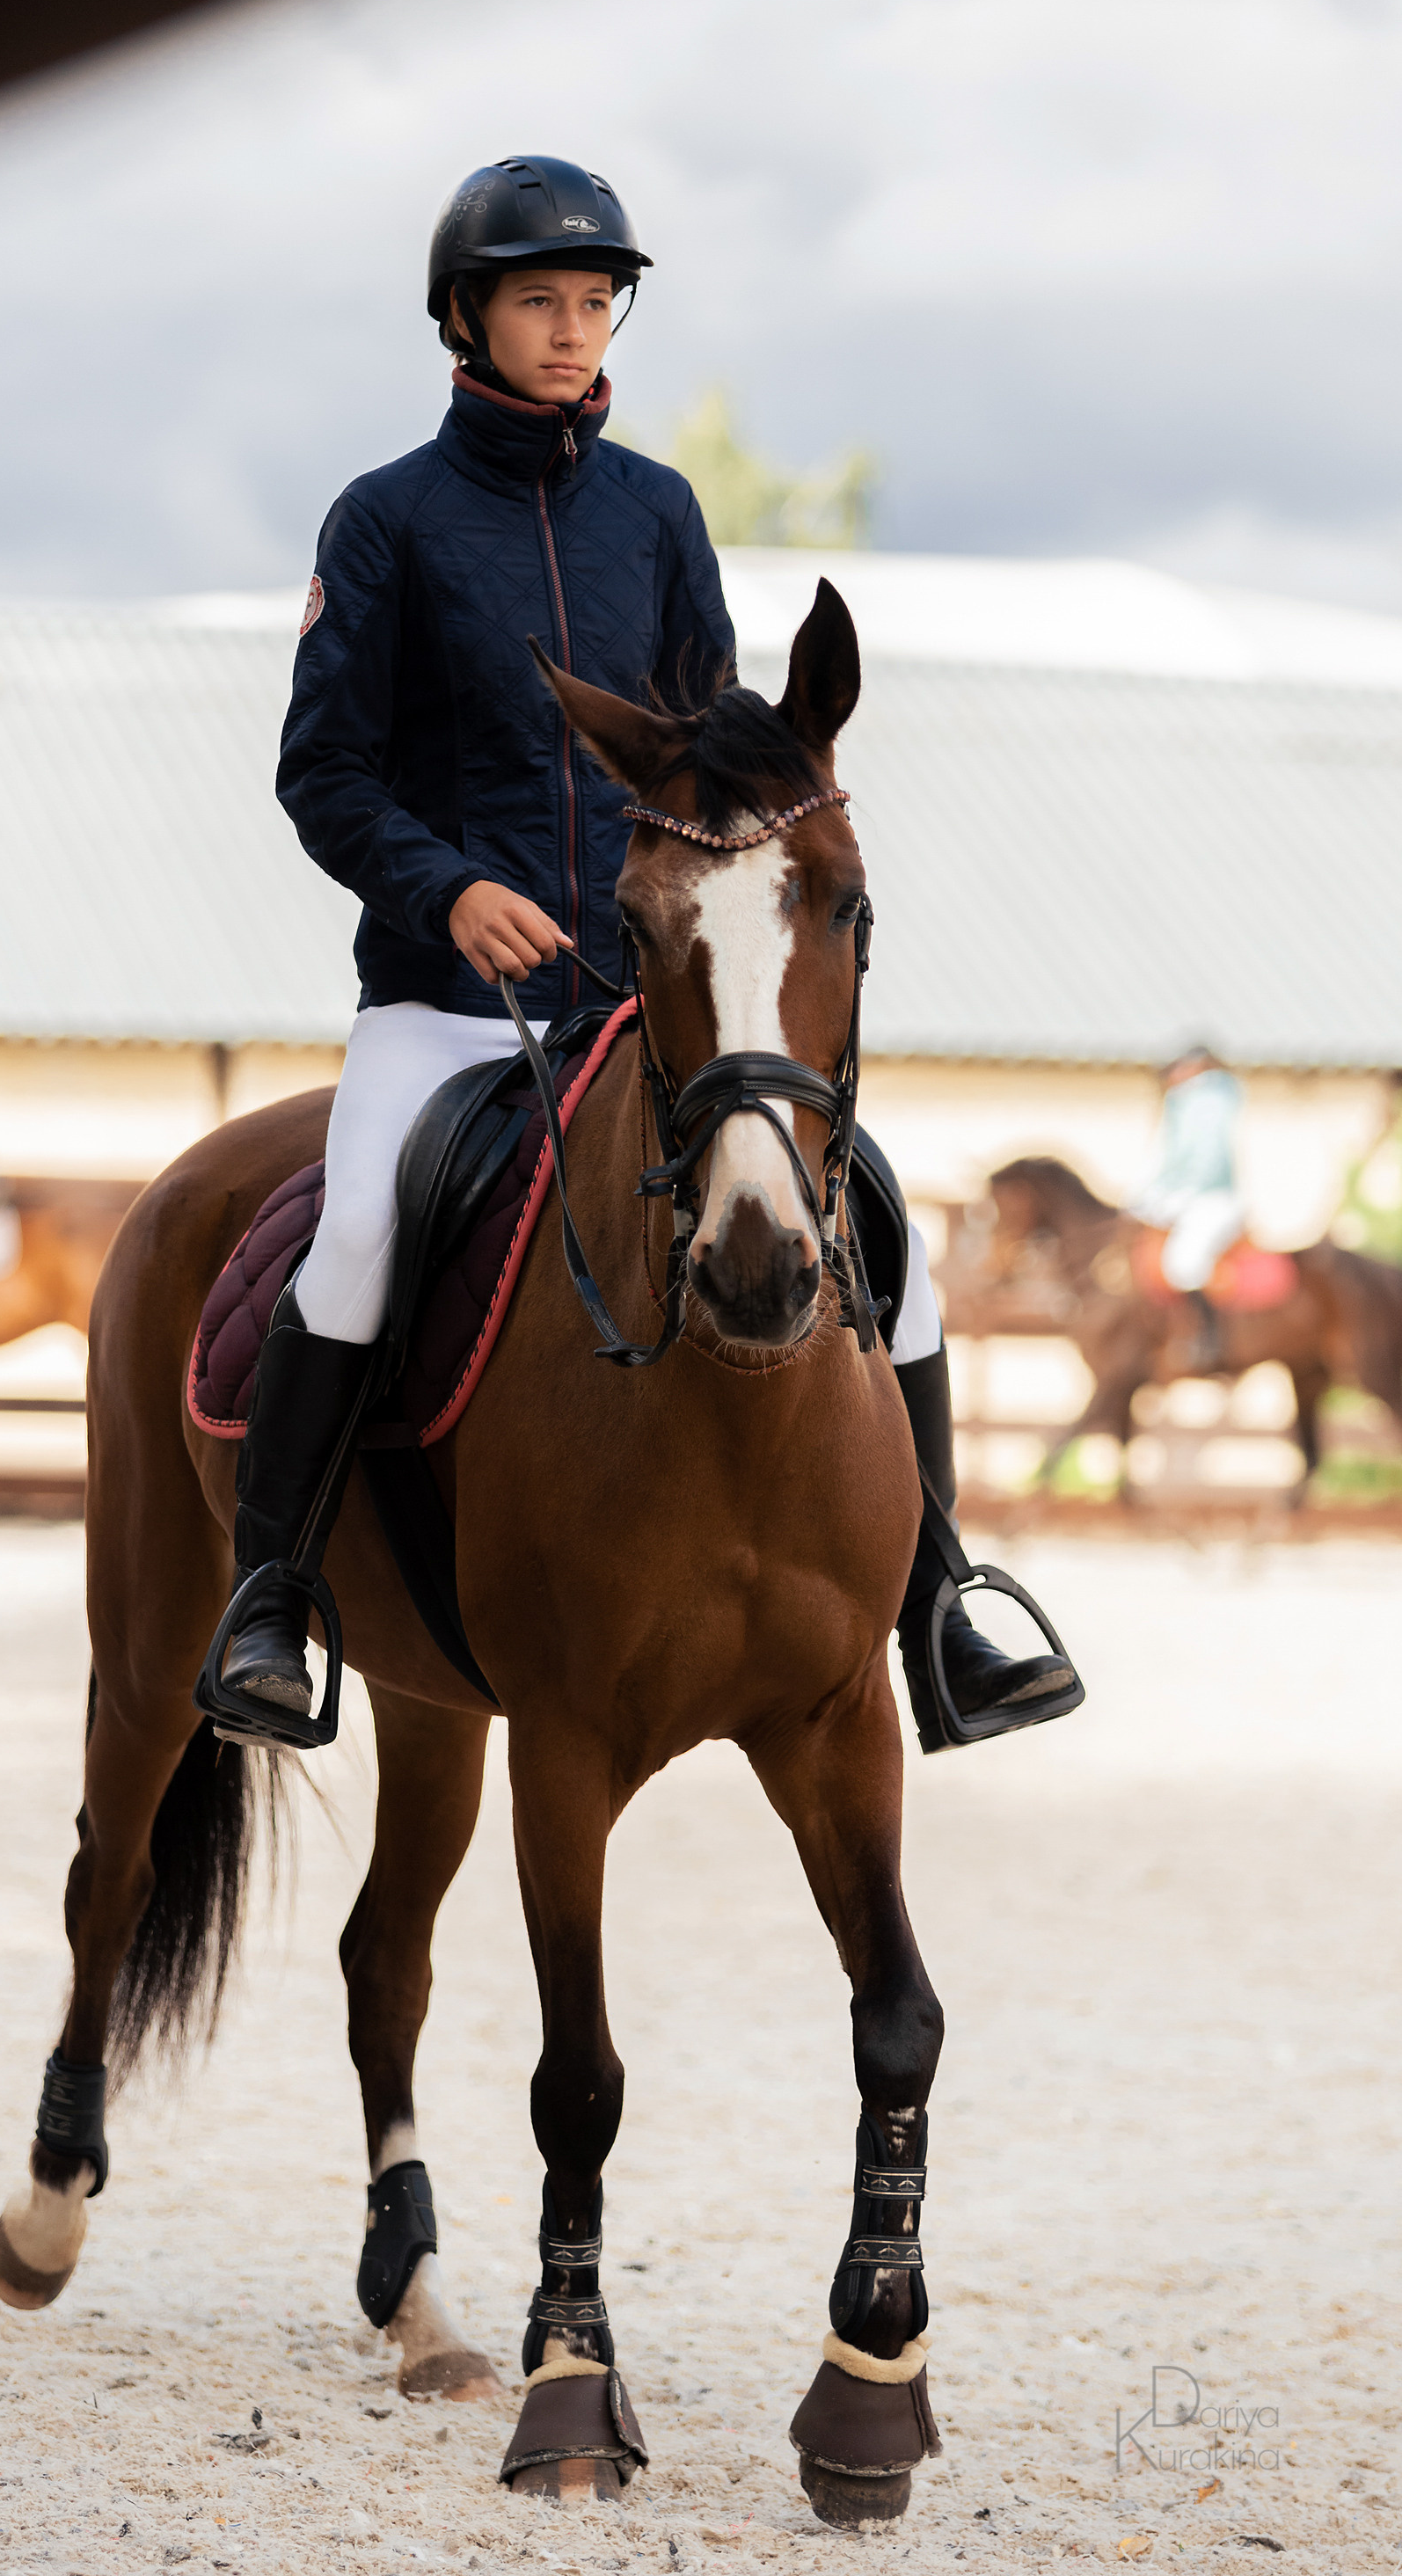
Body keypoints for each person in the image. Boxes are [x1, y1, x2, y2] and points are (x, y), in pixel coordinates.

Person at [214, 153, 1075, 1746]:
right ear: (464, 317)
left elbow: (705, 759)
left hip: (643, 1007)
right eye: (537, 298)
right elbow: (320, 773)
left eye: (594, 300)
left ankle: (939, 1598)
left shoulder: (658, 514)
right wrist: (447, 894)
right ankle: (272, 1600)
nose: (570, 327)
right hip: (446, 1004)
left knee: (886, 1228)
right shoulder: (385, 519)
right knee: (352, 1246)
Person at [1130, 1044, 1245, 1368]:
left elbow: (1204, 1163)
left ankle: (1208, 1341)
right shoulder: (1183, 1104)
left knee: (1183, 1262)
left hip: (1210, 1199)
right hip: (1184, 1198)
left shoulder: (1211, 1101)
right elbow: (1164, 1161)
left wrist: (1167, 1199)